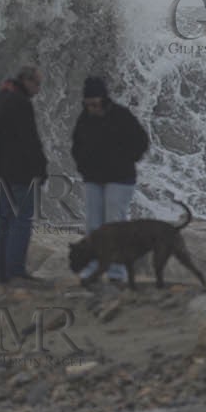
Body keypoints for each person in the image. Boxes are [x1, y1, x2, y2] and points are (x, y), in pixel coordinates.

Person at [70, 75, 151, 284]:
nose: (92, 107)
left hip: (120, 179)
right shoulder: (84, 119)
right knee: (93, 226)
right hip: (93, 178)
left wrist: (125, 160)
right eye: (88, 103)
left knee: (114, 225)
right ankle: (93, 270)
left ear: (103, 99)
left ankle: (117, 272)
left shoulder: (121, 115)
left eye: (95, 103)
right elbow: (76, 145)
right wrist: (83, 166)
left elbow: (141, 141)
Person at [0, 64, 49, 286]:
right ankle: (15, 272)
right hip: (21, 171)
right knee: (21, 220)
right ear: (26, 81)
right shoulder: (20, 103)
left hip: (2, 170)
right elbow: (29, 140)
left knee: (2, 220)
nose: (38, 89)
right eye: (37, 84)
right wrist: (41, 169)